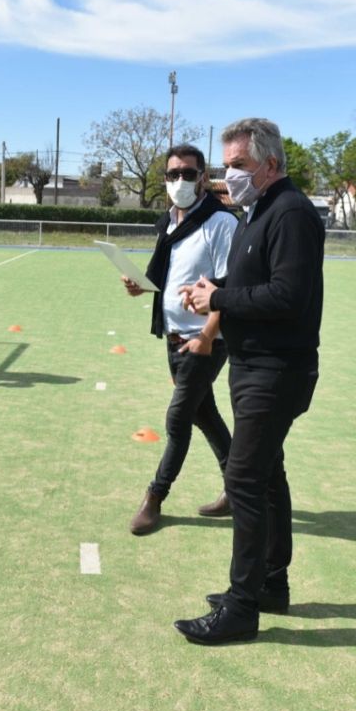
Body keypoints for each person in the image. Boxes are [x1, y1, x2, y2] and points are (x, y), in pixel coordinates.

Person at [174, 118, 324, 644]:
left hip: (276, 371)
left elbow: (288, 296)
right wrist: (217, 288)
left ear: (271, 166)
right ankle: (270, 583)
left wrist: (217, 299)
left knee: (243, 482)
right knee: (266, 474)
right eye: (226, 166)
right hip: (254, 364)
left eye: (238, 166)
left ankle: (242, 608)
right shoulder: (259, 211)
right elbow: (255, 285)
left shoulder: (291, 213)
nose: (227, 176)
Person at [124, 144, 237, 535]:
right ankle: (236, 489)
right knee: (205, 415)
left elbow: (229, 285)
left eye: (188, 173)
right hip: (174, 338)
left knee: (178, 419)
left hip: (203, 340)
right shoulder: (169, 222)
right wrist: (143, 287)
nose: (180, 181)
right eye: (173, 174)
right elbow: (171, 277)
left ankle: (155, 497)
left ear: (204, 177)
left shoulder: (222, 223)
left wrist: (207, 335)